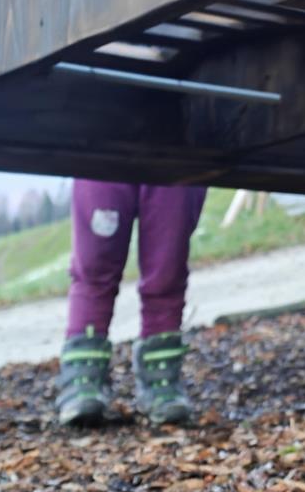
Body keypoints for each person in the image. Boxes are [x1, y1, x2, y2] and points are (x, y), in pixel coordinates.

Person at [57, 180, 207, 427]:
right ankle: (82, 376)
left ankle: (162, 379)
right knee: (94, 260)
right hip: (104, 150)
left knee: (167, 262)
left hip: (176, 154)